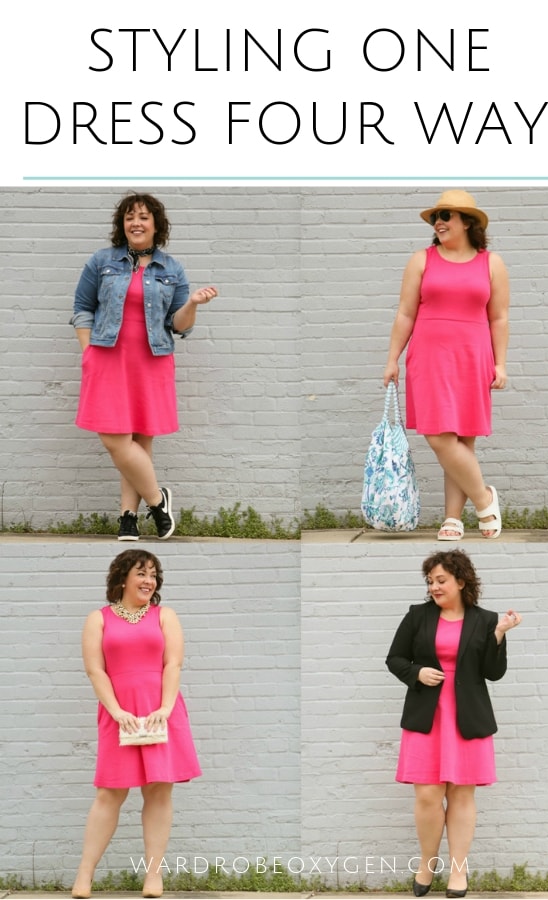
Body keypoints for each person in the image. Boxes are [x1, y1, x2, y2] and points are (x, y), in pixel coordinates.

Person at [71, 192, 218, 541]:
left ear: (156, 225)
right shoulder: (101, 261)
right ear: (122, 225)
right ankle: (157, 500)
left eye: (143, 217)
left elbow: (180, 326)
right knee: (114, 438)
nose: (135, 223)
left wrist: (194, 304)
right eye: (129, 217)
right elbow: (81, 308)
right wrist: (87, 353)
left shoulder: (172, 268)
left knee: (138, 439)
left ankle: (128, 518)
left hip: (151, 359)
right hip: (107, 356)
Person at [385, 549, 521, 898]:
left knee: (462, 793)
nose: (434, 587)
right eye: (430, 581)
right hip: (425, 718)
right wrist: (416, 672)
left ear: (461, 581)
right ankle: (427, 863)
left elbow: (493, 673)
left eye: (441, 580)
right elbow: (395, 658)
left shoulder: (486, 619)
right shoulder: (418, 616)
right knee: (428, 795)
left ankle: (458, 870)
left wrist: (500, 634)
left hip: (467, 717)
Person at [71, 549, 201, 899]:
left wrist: (166, 707)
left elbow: (173, 664)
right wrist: (116, 711)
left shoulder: (165, 616)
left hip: (161, 711)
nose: (149, 580)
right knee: (109, 792)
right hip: (119, 713)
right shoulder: (98, 619)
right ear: (123, 577)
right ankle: (84, 874)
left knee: (159, 789)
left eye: (154, 574)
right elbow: (95, 670)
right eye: (141, 573)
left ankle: (153, 876)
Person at [383, 190, 510, 541]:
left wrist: (501, 364)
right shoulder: (421, 260)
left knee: (462, 438)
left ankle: (453, 518)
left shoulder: (491, 263)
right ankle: (485, 499)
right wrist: (392, 358)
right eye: (436, 216)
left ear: (467, 222)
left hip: (473, 355)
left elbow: (498, 317)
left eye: (446, 215)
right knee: (439, 435)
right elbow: (406, 312)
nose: (438, 221)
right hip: (428, 355)